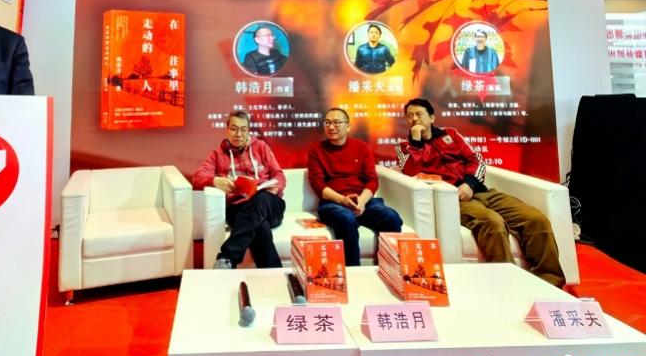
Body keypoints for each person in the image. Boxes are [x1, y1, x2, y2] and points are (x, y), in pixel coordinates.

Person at [396, 98, 565, 287]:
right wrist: (416, 143)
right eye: (409, 116)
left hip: (479, 191)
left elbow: (476, 160)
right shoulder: (404, 146)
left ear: (432, 117)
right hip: (453, 199)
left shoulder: (451, 135)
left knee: (535, 219)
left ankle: (551, 283)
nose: (414, 119)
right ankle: (508, 285)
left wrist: (470, 184)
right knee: (493, 223)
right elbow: (410, 171)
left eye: (419, 114)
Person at [307, 107, 402, 266]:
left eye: (336, 122)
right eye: (327, 123)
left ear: (348, 126)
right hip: (334, 202)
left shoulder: (361, 147)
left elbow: (372, 180)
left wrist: (361, 202)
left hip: (363, 201)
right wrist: (343, 200)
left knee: (391, 217)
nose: (331, 127)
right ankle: (353, 271)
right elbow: (318, 185)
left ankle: (389, 268)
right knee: (346, 218)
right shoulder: (316, 149)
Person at [192, 110, 286, 269]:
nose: (238, 134)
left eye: (243, 129)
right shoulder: (218, 154)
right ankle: (277, 277)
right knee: (260, 227)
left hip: (270, 205)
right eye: (234, 129)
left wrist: (275, 187)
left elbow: (279, 175)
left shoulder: (261, 147)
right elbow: (197, 177)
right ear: (227, 129)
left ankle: (227, 258)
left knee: (261, 199)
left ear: (248, 130)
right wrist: (214, 180)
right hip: (239, 209)